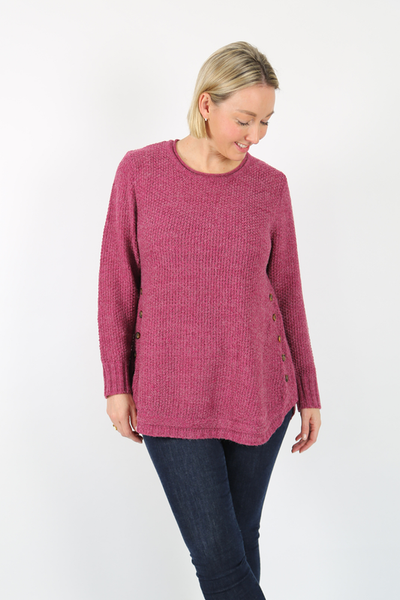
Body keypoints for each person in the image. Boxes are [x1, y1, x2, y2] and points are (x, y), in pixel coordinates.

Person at [97, 41, 321, 600]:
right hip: (171, 393)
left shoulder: (270, 187)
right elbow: (117, 282)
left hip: (259, 391)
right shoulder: (140, 171)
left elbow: (287, 292)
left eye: (266, 121)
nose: (256, 134)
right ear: (205, 104)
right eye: (244, 119)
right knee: (220, 561)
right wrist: (116, 383)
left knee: (240, 543)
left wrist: (309, 390)